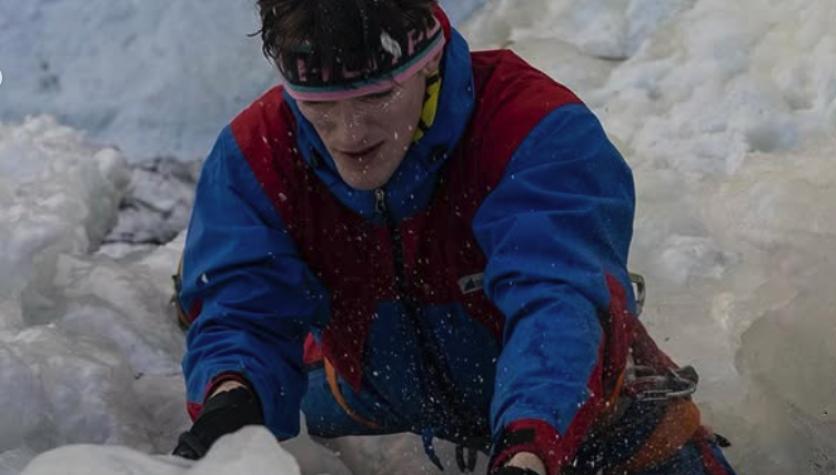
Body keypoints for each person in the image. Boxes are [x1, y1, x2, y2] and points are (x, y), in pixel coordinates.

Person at [171, 1, 737, 474]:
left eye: (376, 96)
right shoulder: (257, 153)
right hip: (371, 385)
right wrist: (231, 397)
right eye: (319, 105)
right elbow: (242, 311)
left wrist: (528, 450)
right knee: (240, 360)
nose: (349, 134)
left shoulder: (531, 127)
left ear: (431, 63)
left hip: (586, 409)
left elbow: (557, 302)